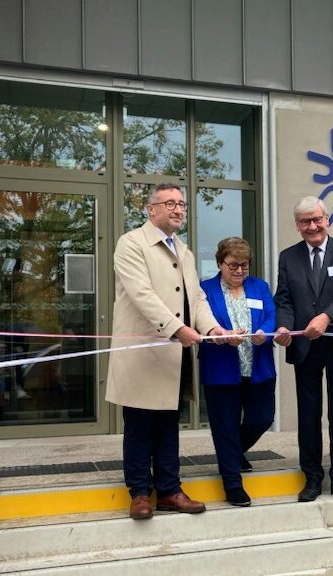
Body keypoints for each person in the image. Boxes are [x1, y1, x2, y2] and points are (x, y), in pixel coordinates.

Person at [106, 182, 232, 520]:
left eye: (182, 204)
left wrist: (213, 329)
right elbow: (141, 293)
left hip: (174, 357)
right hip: (142, 354)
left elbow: (198, 299)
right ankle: (139, 493)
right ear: (152, 209)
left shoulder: (185, 251)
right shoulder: (131, 243)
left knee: (168, 425)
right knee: (138, 426)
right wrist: (177, 329)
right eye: (170, 203)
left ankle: (169, 490)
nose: (178, 209)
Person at [274, 196, 333, 502]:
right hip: (305, 345)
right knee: (309, 416)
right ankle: (312, 478)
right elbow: (284, 298)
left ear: (327, 219)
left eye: (317, 219)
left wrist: (325, 318)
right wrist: (284, 327)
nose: (312, 226)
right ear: (297, 226)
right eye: (305, 221)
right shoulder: (288, 257)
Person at [199, 237, 276, 508]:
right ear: (220, 263)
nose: (239, 271)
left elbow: (270, 317)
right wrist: (219, 335)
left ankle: (233, 452)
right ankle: (232, 483)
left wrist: (262, 335)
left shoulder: (260, 287)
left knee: (262, 418)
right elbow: (199, 322)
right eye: (233, 265)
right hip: (220, 370)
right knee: (225, 427)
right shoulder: (204, 290)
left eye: (244, 265)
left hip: (259, 368)